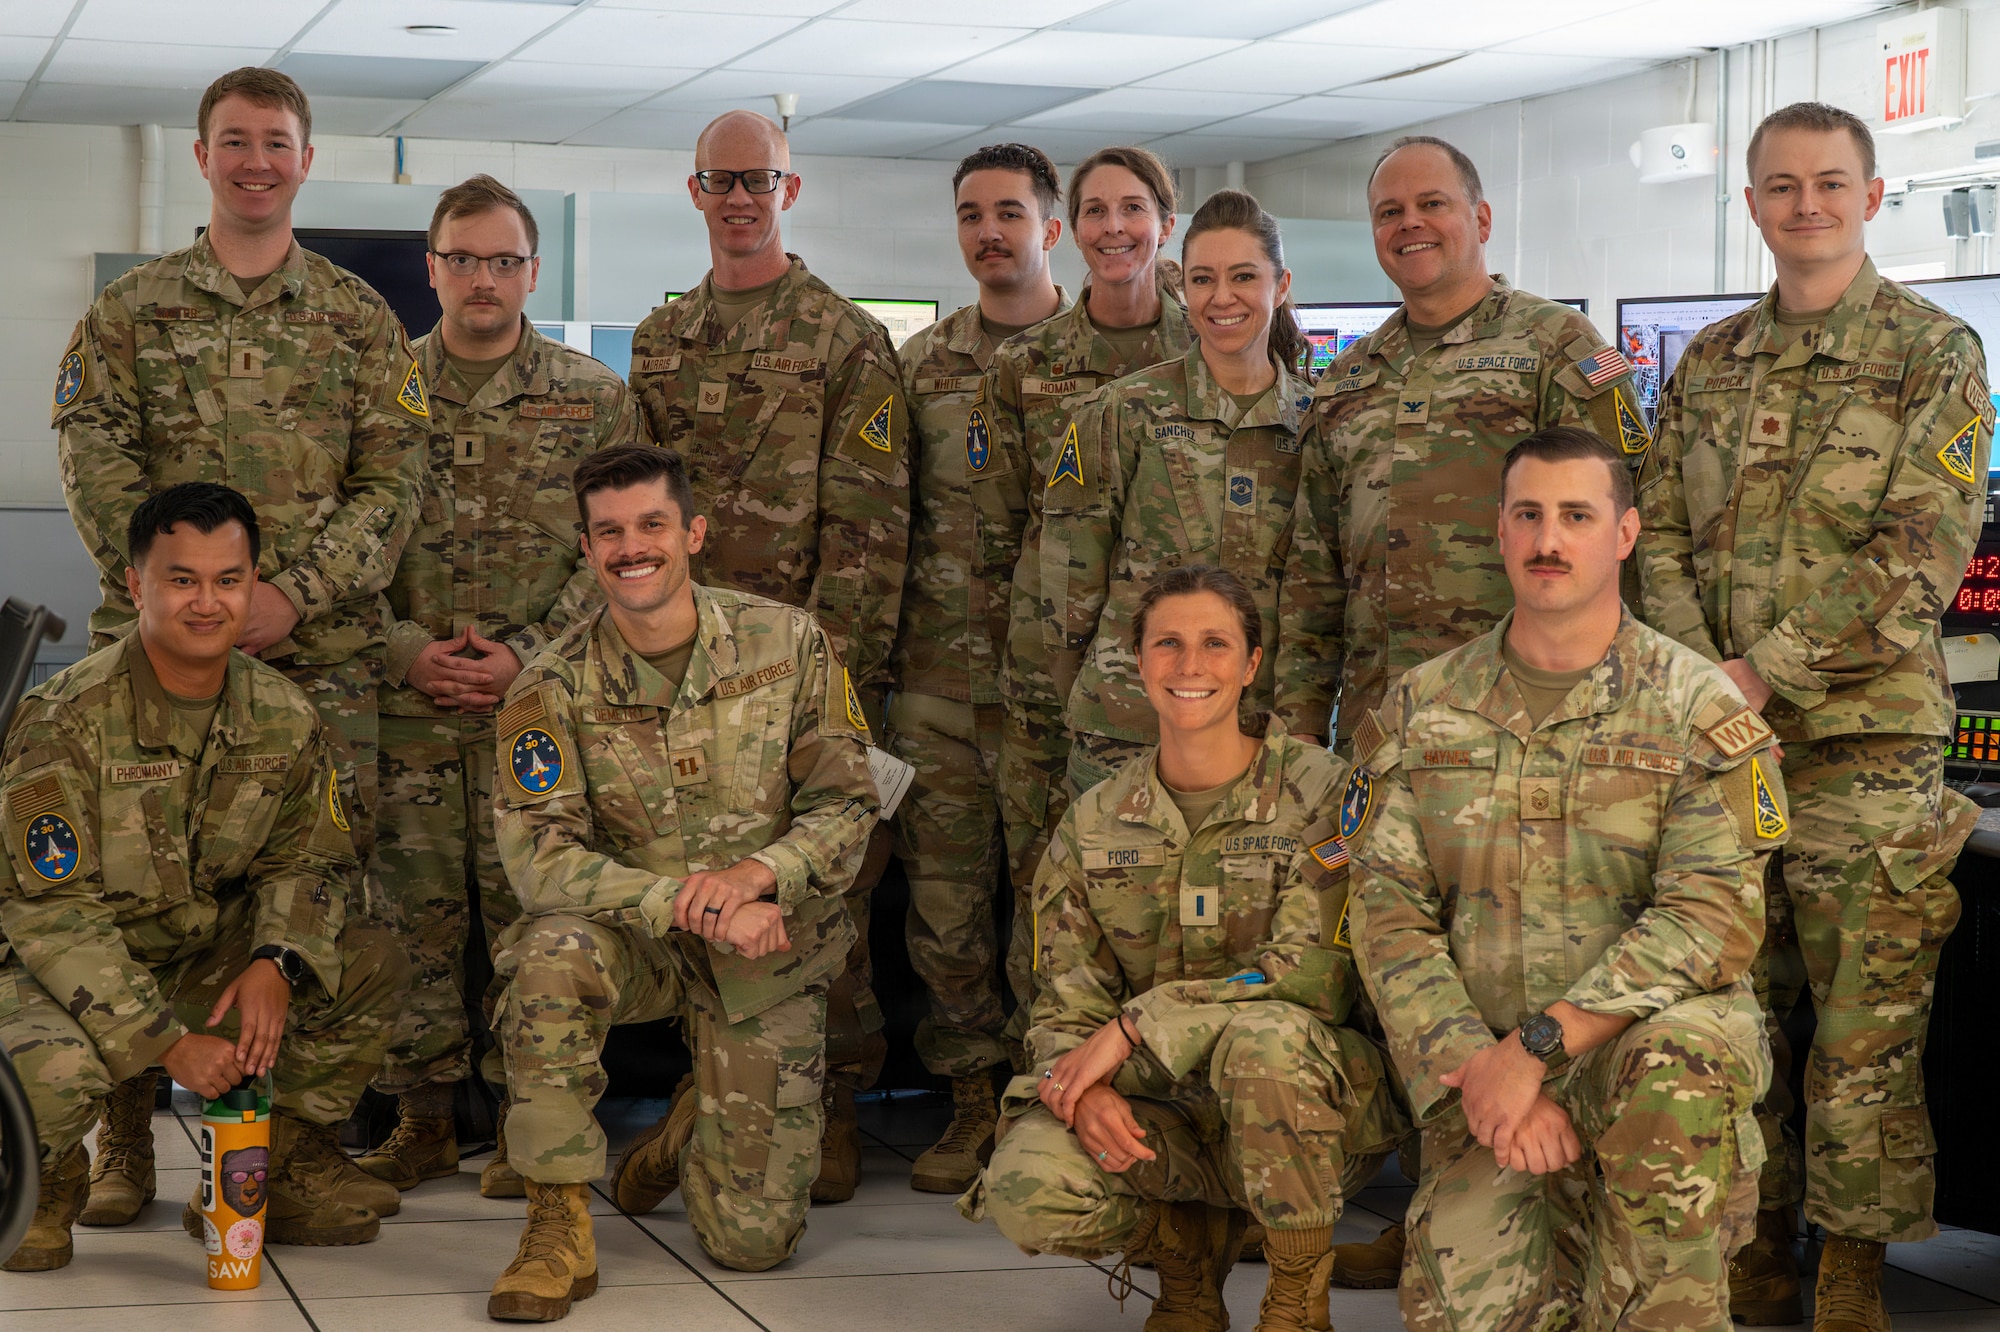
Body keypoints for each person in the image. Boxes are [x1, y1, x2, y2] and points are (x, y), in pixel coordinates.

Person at [51, 64, 427, 1233]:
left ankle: (295, 1149)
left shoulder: (361, 321)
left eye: (276, 140)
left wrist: (297, 594)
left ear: (305, 160)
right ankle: (120, 1139)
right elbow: (93, 456)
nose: (256, 159)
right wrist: (182, 600)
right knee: (129, 894)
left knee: (318, 901)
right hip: (157, 667)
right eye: (234, 140)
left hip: (314, 664)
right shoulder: (133, 312)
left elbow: (395, 479)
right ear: (204, 156)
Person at [1271, 135, 1650, 1286]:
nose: (1409, 225)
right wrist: (1294, 734)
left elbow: (1628, 533)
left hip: (1539, 726)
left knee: (1539, 961)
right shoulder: (1347, 380)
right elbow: (1309, 574)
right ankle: (1450, 1199)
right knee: (1416, 968)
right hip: (1394, 735)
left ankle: (1571, 1211)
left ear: (1479, 216)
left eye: (1431, 204)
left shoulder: (1558, 354)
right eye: (1388, 210)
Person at [1637, 102, 1991, 1332]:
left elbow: (1918, 552)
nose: (1804, 206)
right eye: (1779, 187)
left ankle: (1848, 1256)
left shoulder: (1931, 353)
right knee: (1735, 1016)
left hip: (1864, 751)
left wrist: (1762, 669)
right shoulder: (1709, 363)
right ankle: (1752, 1244)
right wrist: (1698, 675)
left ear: (1870, 195)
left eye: (1827, 184)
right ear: (1749, 207)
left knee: (1861, 1029)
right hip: (1721, 753)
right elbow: (1657, 536)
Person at [1350, 427, 1779, 1329]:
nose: (1550, 540)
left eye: (1576, 516)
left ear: (1623, 534)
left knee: (1677, 1069)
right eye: (1530, 515)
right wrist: (1480, 1069)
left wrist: (1538, 1048)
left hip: (1639, 1053)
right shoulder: (1422, 707)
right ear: (1499, 532)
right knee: (1468, 1314)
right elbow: (1386, 913)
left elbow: (1709, 920)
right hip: (1482, 1069)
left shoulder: (1697, 707)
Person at [484, 445, 877, 1322]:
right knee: (548, 954)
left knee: (752, 1247)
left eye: (652, 525)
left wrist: (759, 876)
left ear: (693, 532)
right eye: (610, 532)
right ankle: (556, 1224)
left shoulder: (789, 642)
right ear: (587, 551)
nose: (633, 547)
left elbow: (851, 802)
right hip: (636, 941)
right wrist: (682, 902)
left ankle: (700, 1114)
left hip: (764, 945)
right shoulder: (547, 687)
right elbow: (539, 860)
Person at [964, 564, 1405, 1332]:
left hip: (1301, 1106)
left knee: (1266, 1042)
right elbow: (1064, 1000)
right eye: (1168, 643)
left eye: (1215, 644)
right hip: (1160, 1115)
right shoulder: (1094, 819)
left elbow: (1314, 978)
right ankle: (1182, 1255)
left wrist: (1140, 1026)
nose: (1191, 666)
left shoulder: (1325, 793)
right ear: (1139, 661)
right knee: (1026, 1187)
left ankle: (1297, 1298)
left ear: (1252, 664)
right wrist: (1088, 1090)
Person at [0, 483, 410, 1271]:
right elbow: (52, 916)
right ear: (136, 585)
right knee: (48, 1076)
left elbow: (309, 859)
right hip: (58, 967)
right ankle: (49, 1177)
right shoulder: (64, 720)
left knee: (364, 963)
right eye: (181, 579)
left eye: (228, 580)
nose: (206, 602)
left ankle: (264, 1166)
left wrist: (277, 960)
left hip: (194, 953)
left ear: (255, 584)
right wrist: (162, 1042)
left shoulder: (286, 715)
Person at [625, 110, 908, 1198]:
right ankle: (714, 1102)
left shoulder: (844, 341)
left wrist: (826, 700)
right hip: (683, 682)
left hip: (801, 687)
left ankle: (830, 1104)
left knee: (819, 899)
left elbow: (869, 535)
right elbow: (641, 524)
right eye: (719, 180)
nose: (738, 198)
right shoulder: (661, 341)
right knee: (696, 892)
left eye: (758, 180)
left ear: (789, 191)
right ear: (693, 191)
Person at [355, 176, 644, 1200]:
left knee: (538, 916)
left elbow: (617, 548)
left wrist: (527, 650)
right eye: (464, 260)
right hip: (409, 704)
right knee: (410, 923)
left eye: (505, 260)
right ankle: (423, 1121)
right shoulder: (373, 388)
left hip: (540, 708)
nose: (484, 279)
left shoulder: (594, 395)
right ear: (432, 269)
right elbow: (342, 543)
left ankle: (540, 1126)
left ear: (533, 270)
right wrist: (401, 652)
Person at [889, 143, 1069, 1194]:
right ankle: (966, 1101)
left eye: (1008, 212)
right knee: (947, 914)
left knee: (1056, 911)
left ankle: (1050, 1099)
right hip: (939, 687)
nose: (988, 232)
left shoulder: (1106, 356)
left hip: (1058, 697)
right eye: (970, 214)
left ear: (1049, 226)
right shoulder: (920, 367)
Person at [993, 143, 1191, 1032]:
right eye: (1099, 212)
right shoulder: (1027, 367)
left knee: (1186, 897)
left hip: (1190, 686)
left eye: (1134, 209)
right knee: (1052, 887)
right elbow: (1002, 534)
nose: (1118, 228)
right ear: (1070, 231)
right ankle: (1036, 1087)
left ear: (1166, 221)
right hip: (1053, 683)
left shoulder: (1221, 343)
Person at [1045, 189, 1311, 801]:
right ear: (1183, 290)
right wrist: (1096, 698)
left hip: (1266, 727)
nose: (1222, 297)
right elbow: (1067, 585)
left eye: (1244, 276)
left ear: (1281, 284)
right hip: (1131, 729)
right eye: (1202, 279)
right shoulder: (1124, 411)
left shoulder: (1319, 422)